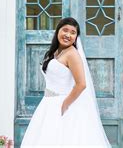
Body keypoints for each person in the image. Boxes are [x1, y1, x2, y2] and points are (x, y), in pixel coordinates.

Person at [20, 17, 111, 147]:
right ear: (58, 31)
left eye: (73, 32)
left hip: (63, 105)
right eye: (65, 30)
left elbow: (81, 84)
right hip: (48, 103)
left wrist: (64, 105)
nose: (68, 35)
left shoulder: (72, 54)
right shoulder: (56, 52)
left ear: (76, 37)